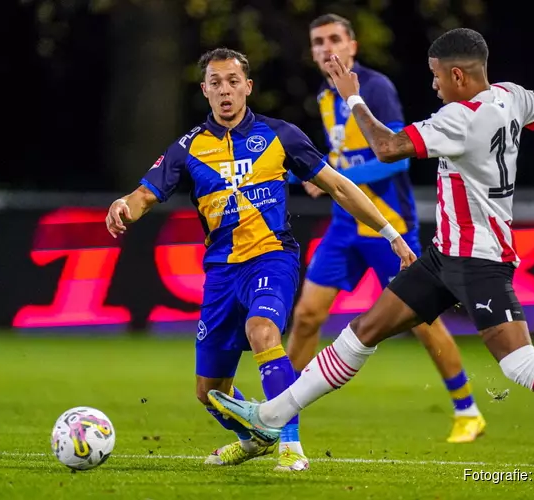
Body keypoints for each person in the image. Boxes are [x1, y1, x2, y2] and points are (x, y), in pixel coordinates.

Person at [207, 29, 534, 485]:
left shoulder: (458, 118)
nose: (434, 85)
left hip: (478, 260)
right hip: (445, 257)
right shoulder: (514, 96)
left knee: (520, 364)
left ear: (458, 75)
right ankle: (272, 417)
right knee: (361, 334)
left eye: (437, 75)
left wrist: (352, 94)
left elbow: (387, 145)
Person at [104, 47, 415, 472]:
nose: (225, 90)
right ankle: (254, 439)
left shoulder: (280, 135)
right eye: (216, 83)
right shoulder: (187, 148)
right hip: (220, 274)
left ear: (248, 87)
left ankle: (291, 447)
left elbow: (339, 187)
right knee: (209, 392)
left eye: (233, 81)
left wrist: (391, 234)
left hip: (271, 260)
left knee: (262, 329)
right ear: (205, 91)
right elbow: (144, 195)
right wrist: (123, 204)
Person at [286, 13, 485, 443]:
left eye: (335, 39)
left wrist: (333, 179)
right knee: (305, 317)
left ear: (353, 46)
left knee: (421, 322)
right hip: (344, 227)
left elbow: (392, 154)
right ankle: (278, 409)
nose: (326, 48)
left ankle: (467, 409)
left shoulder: (374, 88)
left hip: (388, 227)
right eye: (318, 41)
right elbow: (340, 157)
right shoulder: (324, 95)